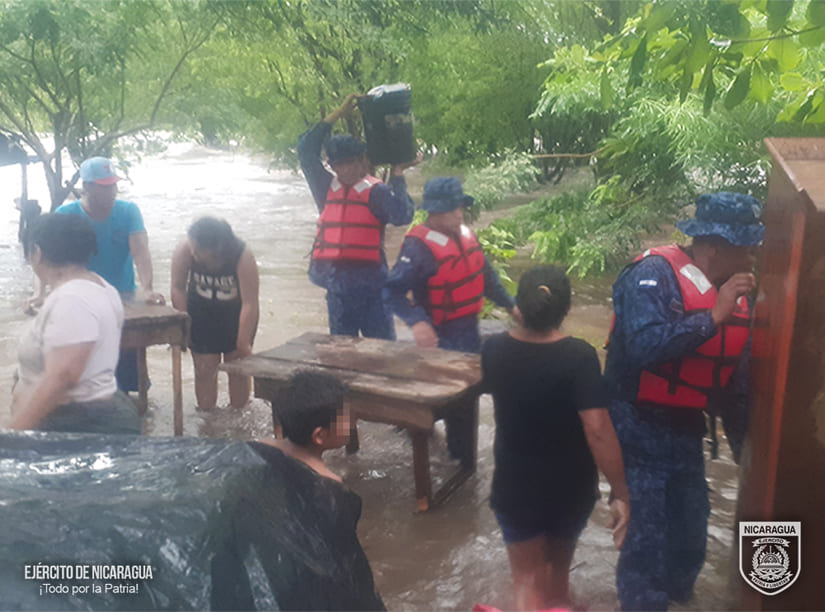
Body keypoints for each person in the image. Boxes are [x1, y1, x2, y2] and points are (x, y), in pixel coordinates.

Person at [604, 192, 763, 611]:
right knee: (646, 545)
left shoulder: (738, 295)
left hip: (685, 431)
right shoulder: (651, 276)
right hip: (636, 427)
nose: (751, 258)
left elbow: (734, 382)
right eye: (744, 249)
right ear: (713, 246)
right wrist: (712, 316)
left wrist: (749, 451)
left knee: (691, 539)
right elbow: (643, 347)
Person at [482, 265, 630, 611]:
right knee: (559, 577)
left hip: (515, 484)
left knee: (526, 580)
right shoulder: (578, 356)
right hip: (570, 487)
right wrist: (620, 492)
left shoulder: (493, 349)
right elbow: (598, 430)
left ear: (520, 305)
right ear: (566, 310)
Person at [387, 176, 516, 459]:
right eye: (452, 209)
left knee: (468, 396)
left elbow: (486, 276)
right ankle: (451, 454)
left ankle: (457, 455)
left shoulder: (466, 235)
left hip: (468, 329)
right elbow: (393, 291)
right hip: (440, 335)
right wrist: (417, 322)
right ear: (433, 213)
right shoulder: (417, 247)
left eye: (460, 207)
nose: (459, 213)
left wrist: (510, 305)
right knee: (453, 400)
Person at [297, 93, 418, 339]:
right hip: (337, 287)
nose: (346, 170)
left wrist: (397, 175)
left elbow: (402, 215)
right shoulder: (324, 187)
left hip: (373, 286)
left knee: (382, 354)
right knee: (342, 354)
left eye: (351, 163)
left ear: (363, 161)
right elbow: (306, 150)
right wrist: (337, 113)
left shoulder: (377, 192)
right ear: (331, 164)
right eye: (338, 164)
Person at [7, 214, 140, 434]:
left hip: (75, 424)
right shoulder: (102, 288)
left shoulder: (72, 299)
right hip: (93, 415)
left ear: (37, 253)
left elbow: (62, 378)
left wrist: (13, 433)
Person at [55, 156, 165, 392]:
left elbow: (140, 252)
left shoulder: (128, 211)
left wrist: (147, 288)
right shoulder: (65, 214)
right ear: (86, 187)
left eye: (113, 185)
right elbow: (51, 258)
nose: (112, 191)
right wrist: (40, 292)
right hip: (80, 299)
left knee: (129, 371)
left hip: (122, 296)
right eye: (104, 187)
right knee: (83, 366)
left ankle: (137, 412)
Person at [171, 217, 259, 411]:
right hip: (200, 314)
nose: (193, 254)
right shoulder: (185, 249)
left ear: (216, 250)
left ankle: (239, 417)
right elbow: (178, 288)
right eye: (192, 247)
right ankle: (207, 421)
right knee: (204, 371)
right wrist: (183, 325)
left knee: (237, 370)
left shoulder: (241, 255)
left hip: (236, 316)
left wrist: (243, 342)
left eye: (198, 251)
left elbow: (250, 303)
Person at [255, 370, 351, 482]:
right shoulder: (328, 480)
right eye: (346, 419)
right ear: (320, 436)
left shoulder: (262, 445)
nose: (352, 424)